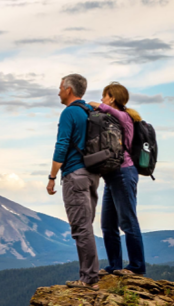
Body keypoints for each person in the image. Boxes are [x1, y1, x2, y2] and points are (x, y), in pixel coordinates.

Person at [47, 73, 100, 290]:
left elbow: (62, 146)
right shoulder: (90, 111)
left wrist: (52, 177)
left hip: (74, 174)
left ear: (69, 89)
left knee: (80, 227)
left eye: (60, 87)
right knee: (86, 224)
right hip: (93, 174)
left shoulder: (69, 112)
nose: (58, 91)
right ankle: (90, 275)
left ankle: (89, 279)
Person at [89, 82, 146, 275]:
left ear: (112, 98)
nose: (102, 99)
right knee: (107, 224)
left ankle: (137, 267)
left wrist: (95, 105)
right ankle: (115, 265)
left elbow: (110, 110)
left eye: (105, 96)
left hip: (124, 172)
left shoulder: (124, 117)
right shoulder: (114, 117)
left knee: (128, 221)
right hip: (112, 175)